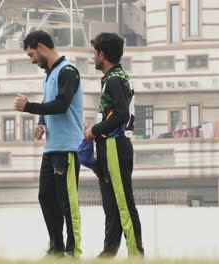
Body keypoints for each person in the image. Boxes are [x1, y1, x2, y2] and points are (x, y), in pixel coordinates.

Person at [13, 30, 83, 257]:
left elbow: (61, 104)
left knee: (67, 204)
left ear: (42, 47)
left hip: (67, 149)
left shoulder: (69, 71)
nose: (32, 60)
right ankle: (56, 248)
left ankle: (73, 252)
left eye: (32, 54)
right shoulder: (48, 75)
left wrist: (29, 107)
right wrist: (41, 123)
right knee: (45, 198)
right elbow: (48, 104)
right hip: (51, 149)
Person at [84, 32, 144, 258]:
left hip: (115, 146)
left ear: (102, 54)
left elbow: (120, 114)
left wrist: (94, 131)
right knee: (110, 205)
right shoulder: (113, 78)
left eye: (94, 54)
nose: (93, 59)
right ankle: (108, 252)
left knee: (123, 203)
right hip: (108, 146)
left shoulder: (115, 79)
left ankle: (136, 254)